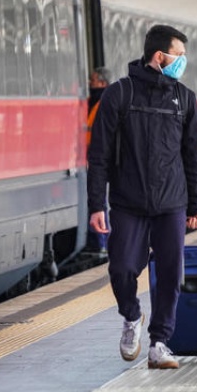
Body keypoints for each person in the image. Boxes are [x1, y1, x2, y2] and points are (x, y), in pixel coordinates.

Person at [87, 24, 197, 369]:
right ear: (160, 56)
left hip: (171, 203)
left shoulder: (184, 99)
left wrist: (195, 206)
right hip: (128, 203)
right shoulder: (119, 94)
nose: (183, 61)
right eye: (179, 55)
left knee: (170, 274)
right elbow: (98, 155)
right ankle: (132, 316)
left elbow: (193, 156)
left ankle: (159, 343)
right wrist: (97, 204)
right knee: (122, 268)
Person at [85, 67, 112, 255]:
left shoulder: (104, 102)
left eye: (93, 80)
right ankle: (101, 242)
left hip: (100, 160)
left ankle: (103, 242)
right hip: (91, 159)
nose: (90, 84)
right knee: (99, 202)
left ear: (102, 83)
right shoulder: (94, 102)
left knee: (101, 203)